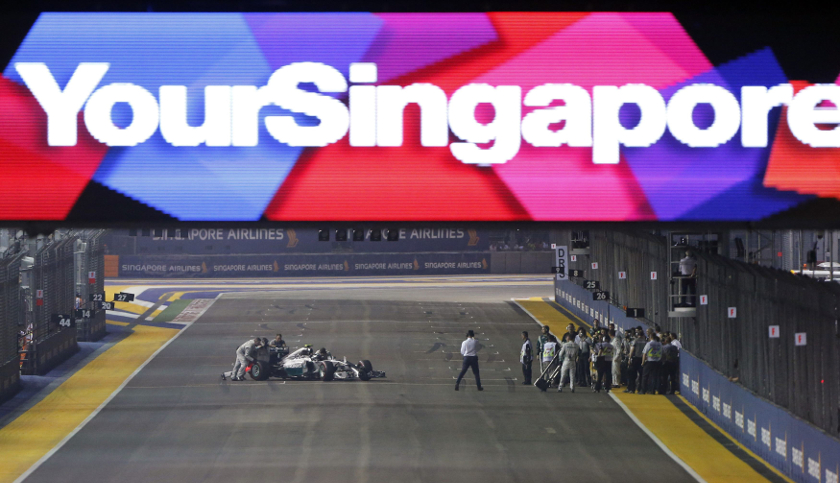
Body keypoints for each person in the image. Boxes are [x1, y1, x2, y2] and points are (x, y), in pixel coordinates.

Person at [625, 328, 647, 393]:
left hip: (636, 359)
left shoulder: (635, 341)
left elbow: (632, 350)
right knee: (641, 375)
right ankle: (640, 389)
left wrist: (629, 359)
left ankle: (632, 389)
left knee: (632, 375)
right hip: (642, 359)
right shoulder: (645, 341)